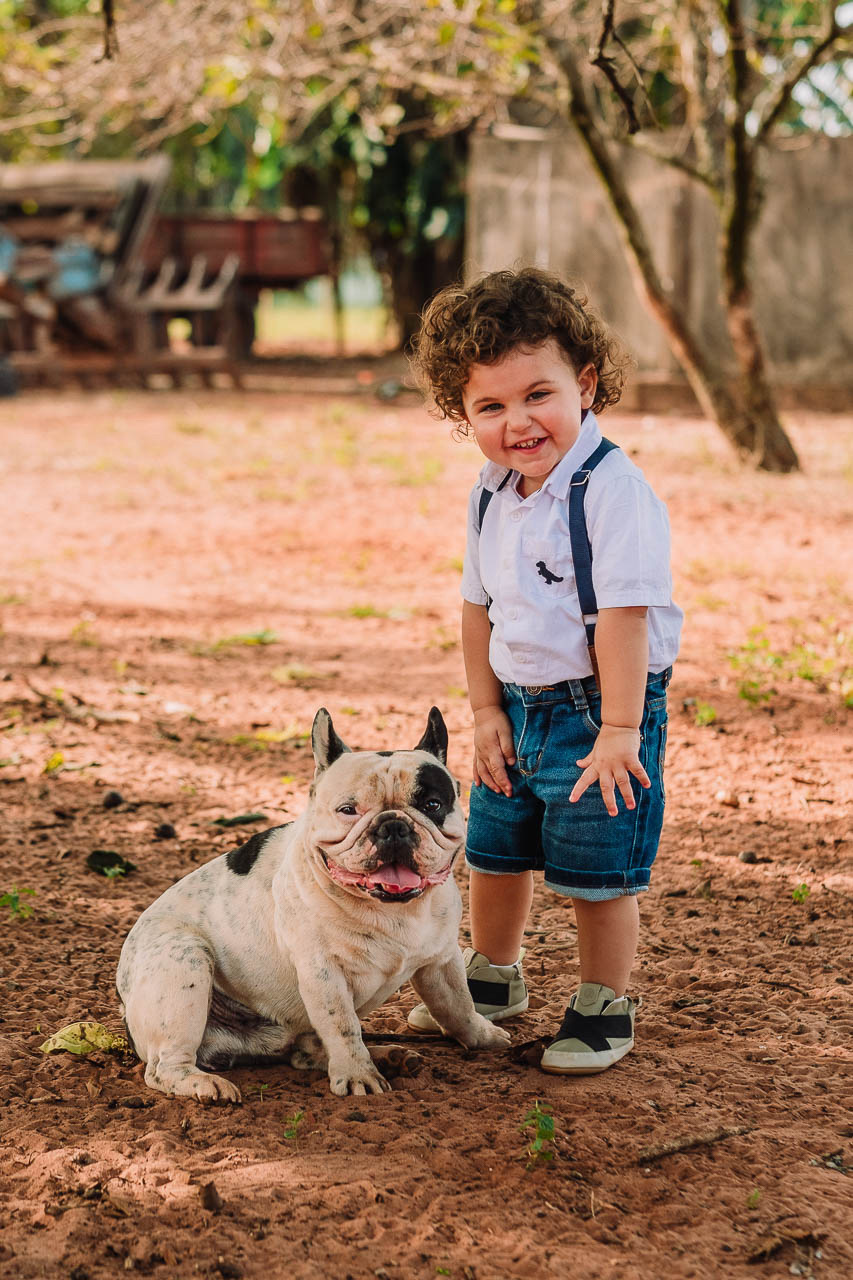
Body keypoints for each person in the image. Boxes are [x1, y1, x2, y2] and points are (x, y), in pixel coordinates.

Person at [407, 267, 682, 1073]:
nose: (517, 422)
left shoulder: (611, 492)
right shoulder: (490, 493)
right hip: (515, 710)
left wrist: (621, 731)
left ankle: (603, 1002)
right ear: (463, 415)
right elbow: (476, 607)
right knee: (495, 848)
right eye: (489, 406)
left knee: (597, 866)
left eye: (538, 395)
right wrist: (485, 713)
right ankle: (492, 977)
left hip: (602, 712)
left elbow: (625, 620)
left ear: (585, 383)